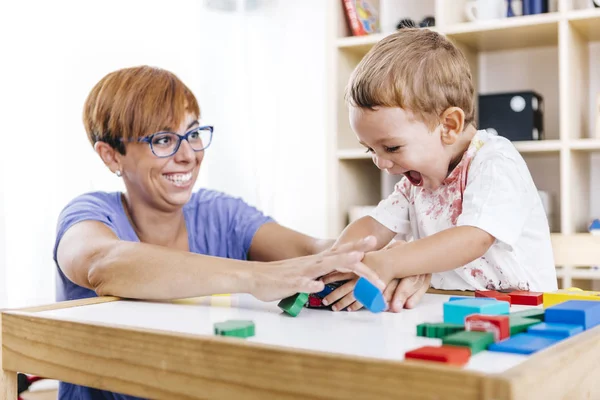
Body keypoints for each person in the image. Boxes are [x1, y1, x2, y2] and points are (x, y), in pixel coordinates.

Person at [53, 65, 430, 400]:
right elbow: (102, 263)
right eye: (163, 140)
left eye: (194, 133)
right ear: (110, 155)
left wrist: (393, 260)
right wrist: (255, 277)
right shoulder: (90, 214)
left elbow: (316, 250)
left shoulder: (220, 212)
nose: (188, 155)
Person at [321, 28, 558, 313]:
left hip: (525, 315)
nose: (381, 163)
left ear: (449, 126)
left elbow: (474, 238)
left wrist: (388, 262)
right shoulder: (416, 183)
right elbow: (375, 226)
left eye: (392, 148)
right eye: (370, 150)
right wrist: (339, 258)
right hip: (456, 311)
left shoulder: (495, 162)